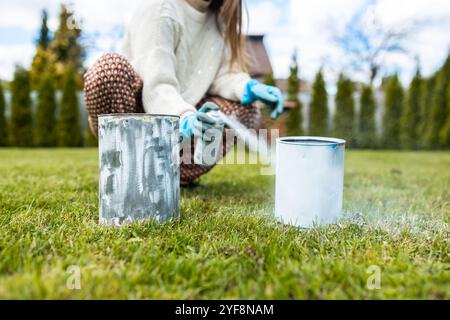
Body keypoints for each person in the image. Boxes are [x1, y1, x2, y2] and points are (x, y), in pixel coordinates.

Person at [84, 0, 284, 186]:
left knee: (245, 107)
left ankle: (173, 175)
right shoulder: (161, 8)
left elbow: (221, 76)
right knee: (108, 70)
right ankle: (123, 171)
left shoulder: (217, 22)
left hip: (180, 132)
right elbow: (156, 84)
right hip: (138, 120)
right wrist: (183, 115)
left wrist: (246, 88)